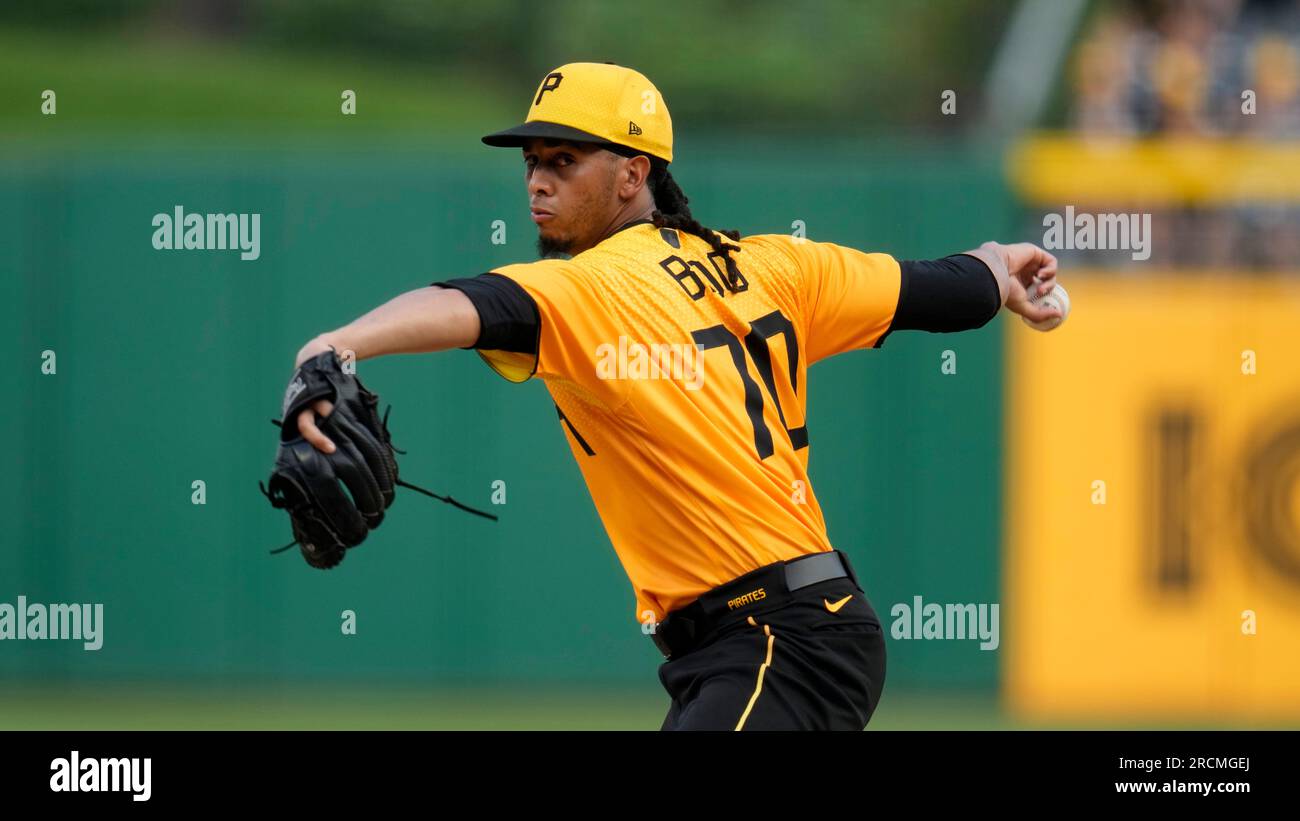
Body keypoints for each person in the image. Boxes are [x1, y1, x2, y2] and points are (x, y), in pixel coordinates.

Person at [288, 63, 1061, 730]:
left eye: (564, 158)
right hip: (780, 635)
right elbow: (933, 287)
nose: (537, 180)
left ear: (633, 173)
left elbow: (470, 305)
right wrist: (1001, 270)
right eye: (531, 161)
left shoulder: (595, 286)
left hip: (775, 638)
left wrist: (333, 346)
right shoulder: (774, 267)